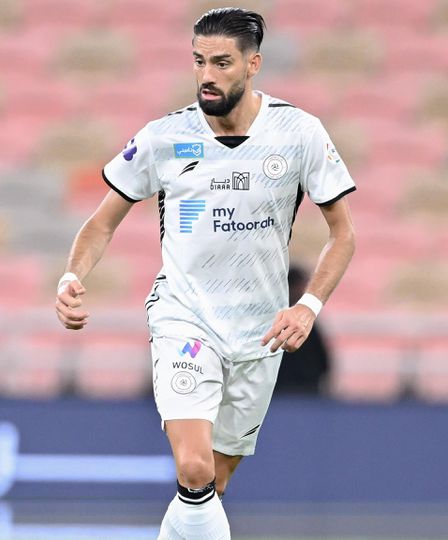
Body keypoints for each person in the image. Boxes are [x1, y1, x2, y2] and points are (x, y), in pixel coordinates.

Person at [55, 8, 355, 539]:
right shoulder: (164, 137)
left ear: (253, 64)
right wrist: (71, 278)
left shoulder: (298, 133)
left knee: (211, 484)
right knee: (192, 468)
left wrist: (307, 306)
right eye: (198, 61)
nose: (206, 75)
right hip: (185, 318)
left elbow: (343, 235)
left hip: (261, 333)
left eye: (221, 62)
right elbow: (100, 224)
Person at [275, 264, 332, 394]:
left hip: (303, 390)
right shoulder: (302, 322)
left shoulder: (306, 322)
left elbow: (322, 361)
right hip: (284, 392)